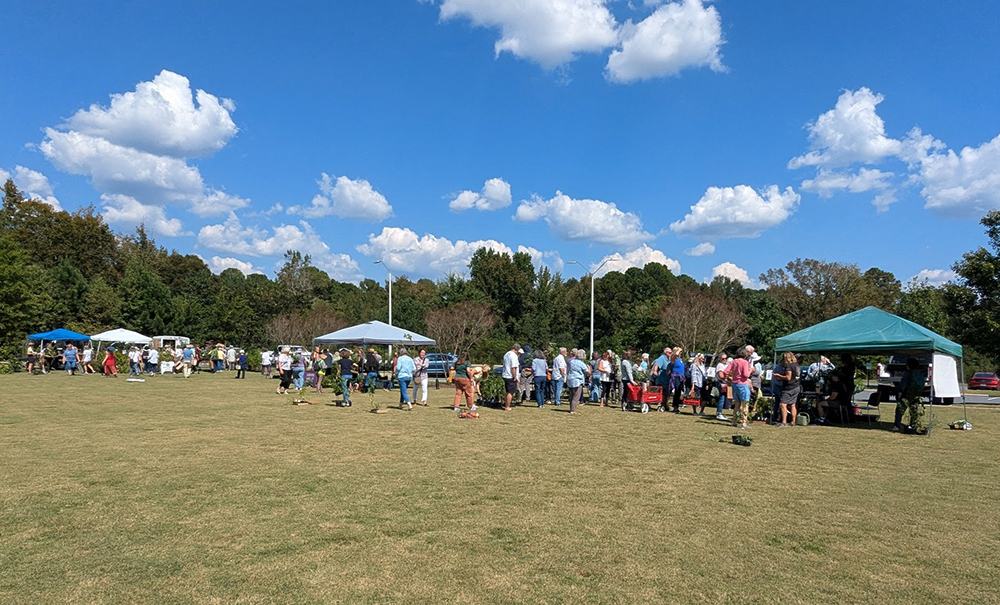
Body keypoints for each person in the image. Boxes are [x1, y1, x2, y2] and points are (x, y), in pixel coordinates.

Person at [720, 347, 753, 429]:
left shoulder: (734, 361)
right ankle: (743, 423)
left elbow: (725, 371)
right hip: (743, 384)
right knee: (745, 404)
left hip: (734, 384)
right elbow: (746, 375)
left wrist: (728, 378)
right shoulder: (745, 362)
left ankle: (734, 421)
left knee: (737, 404)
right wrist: (750, 370)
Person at [893, 358, 927, 433]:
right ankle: (913, 425)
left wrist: (900, 392)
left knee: (900, 410)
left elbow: (903, 384)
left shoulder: (908, 373)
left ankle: (897, 426)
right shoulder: (920, 373)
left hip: (906, 394)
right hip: (916, 394)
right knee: (914, 411)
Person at [772, 352, 801, 427]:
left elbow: (788, 377)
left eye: (784, 357)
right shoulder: (796, 365)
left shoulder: (788, 366)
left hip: (789, 388)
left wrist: (779, 376)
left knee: (783, 404)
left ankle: (784, 422)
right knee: (792, 405)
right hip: (796, 386)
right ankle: (793, 421)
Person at [567, 349, 591, 414]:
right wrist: (589, 369)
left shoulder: (571, 361)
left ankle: (571, 409)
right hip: (577, 380)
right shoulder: (582, 363)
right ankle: (573, 410)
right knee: (576, 396)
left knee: (571, 395)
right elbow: (587, 373)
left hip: (570, 379)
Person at [501, 344, 521, 412]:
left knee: (507, 391)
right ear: (517, 349)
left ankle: (505, 404)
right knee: (511, 392)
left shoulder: (506, 354)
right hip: (510, 376)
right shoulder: (514, 355)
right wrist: (514, 376)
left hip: (505, 374)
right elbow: (513, 367)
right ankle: (507, 406)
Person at [667, 347, 686, 413]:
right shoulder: (673, 358)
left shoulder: (680, 359)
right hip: (676, 377)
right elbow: (675, 355)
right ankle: (674, 407)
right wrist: (678, 350)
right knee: (676, 392)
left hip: (681, 377)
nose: (680, 353)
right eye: (680, 352)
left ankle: (676, 406)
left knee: (678, 392)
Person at [714, 352, 730, 421]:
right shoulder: (720, 365)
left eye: (726, 358)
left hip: (724, 383)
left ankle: (719, 413)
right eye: (723, 358)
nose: (725, 359)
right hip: (721, 383)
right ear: (720, 359)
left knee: (722, 398)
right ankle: (719, 413)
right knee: (721, 398)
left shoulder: (725, 365)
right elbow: (721, 375)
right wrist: (727, 377)